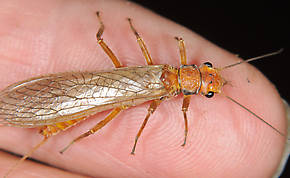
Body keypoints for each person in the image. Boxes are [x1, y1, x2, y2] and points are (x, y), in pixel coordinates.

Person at [0, 0, 286, 177]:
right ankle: (35, 124)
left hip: (98, 95)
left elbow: (160, 46)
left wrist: (133, 30)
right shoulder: (170, 91)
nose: (209, 78)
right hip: (96, 95)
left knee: (90, 109)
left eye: (207, 87)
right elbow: (154, 114)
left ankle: (41, 124)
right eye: (207, 75)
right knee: (88, 117)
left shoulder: (169, 68)